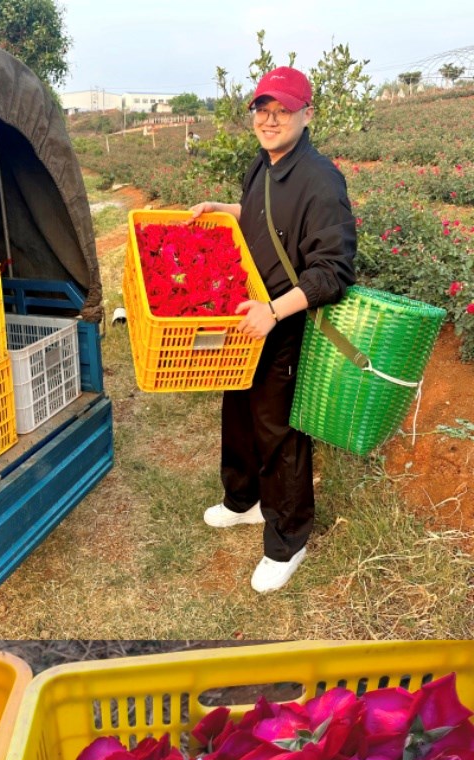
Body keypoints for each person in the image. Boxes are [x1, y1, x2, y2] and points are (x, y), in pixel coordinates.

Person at [188, 66, 355, 593]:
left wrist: (275, 312)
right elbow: (265, 221)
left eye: (282, 109)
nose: (270, 118)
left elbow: (333, 269)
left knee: (278, 430)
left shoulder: (321, 180)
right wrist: (225, 210)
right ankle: (243, 501)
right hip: (249, 315)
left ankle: (288, 540)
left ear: (307, 114)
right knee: (237, 412)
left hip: (282, 321)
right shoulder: (261, 166)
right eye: (263, 108)